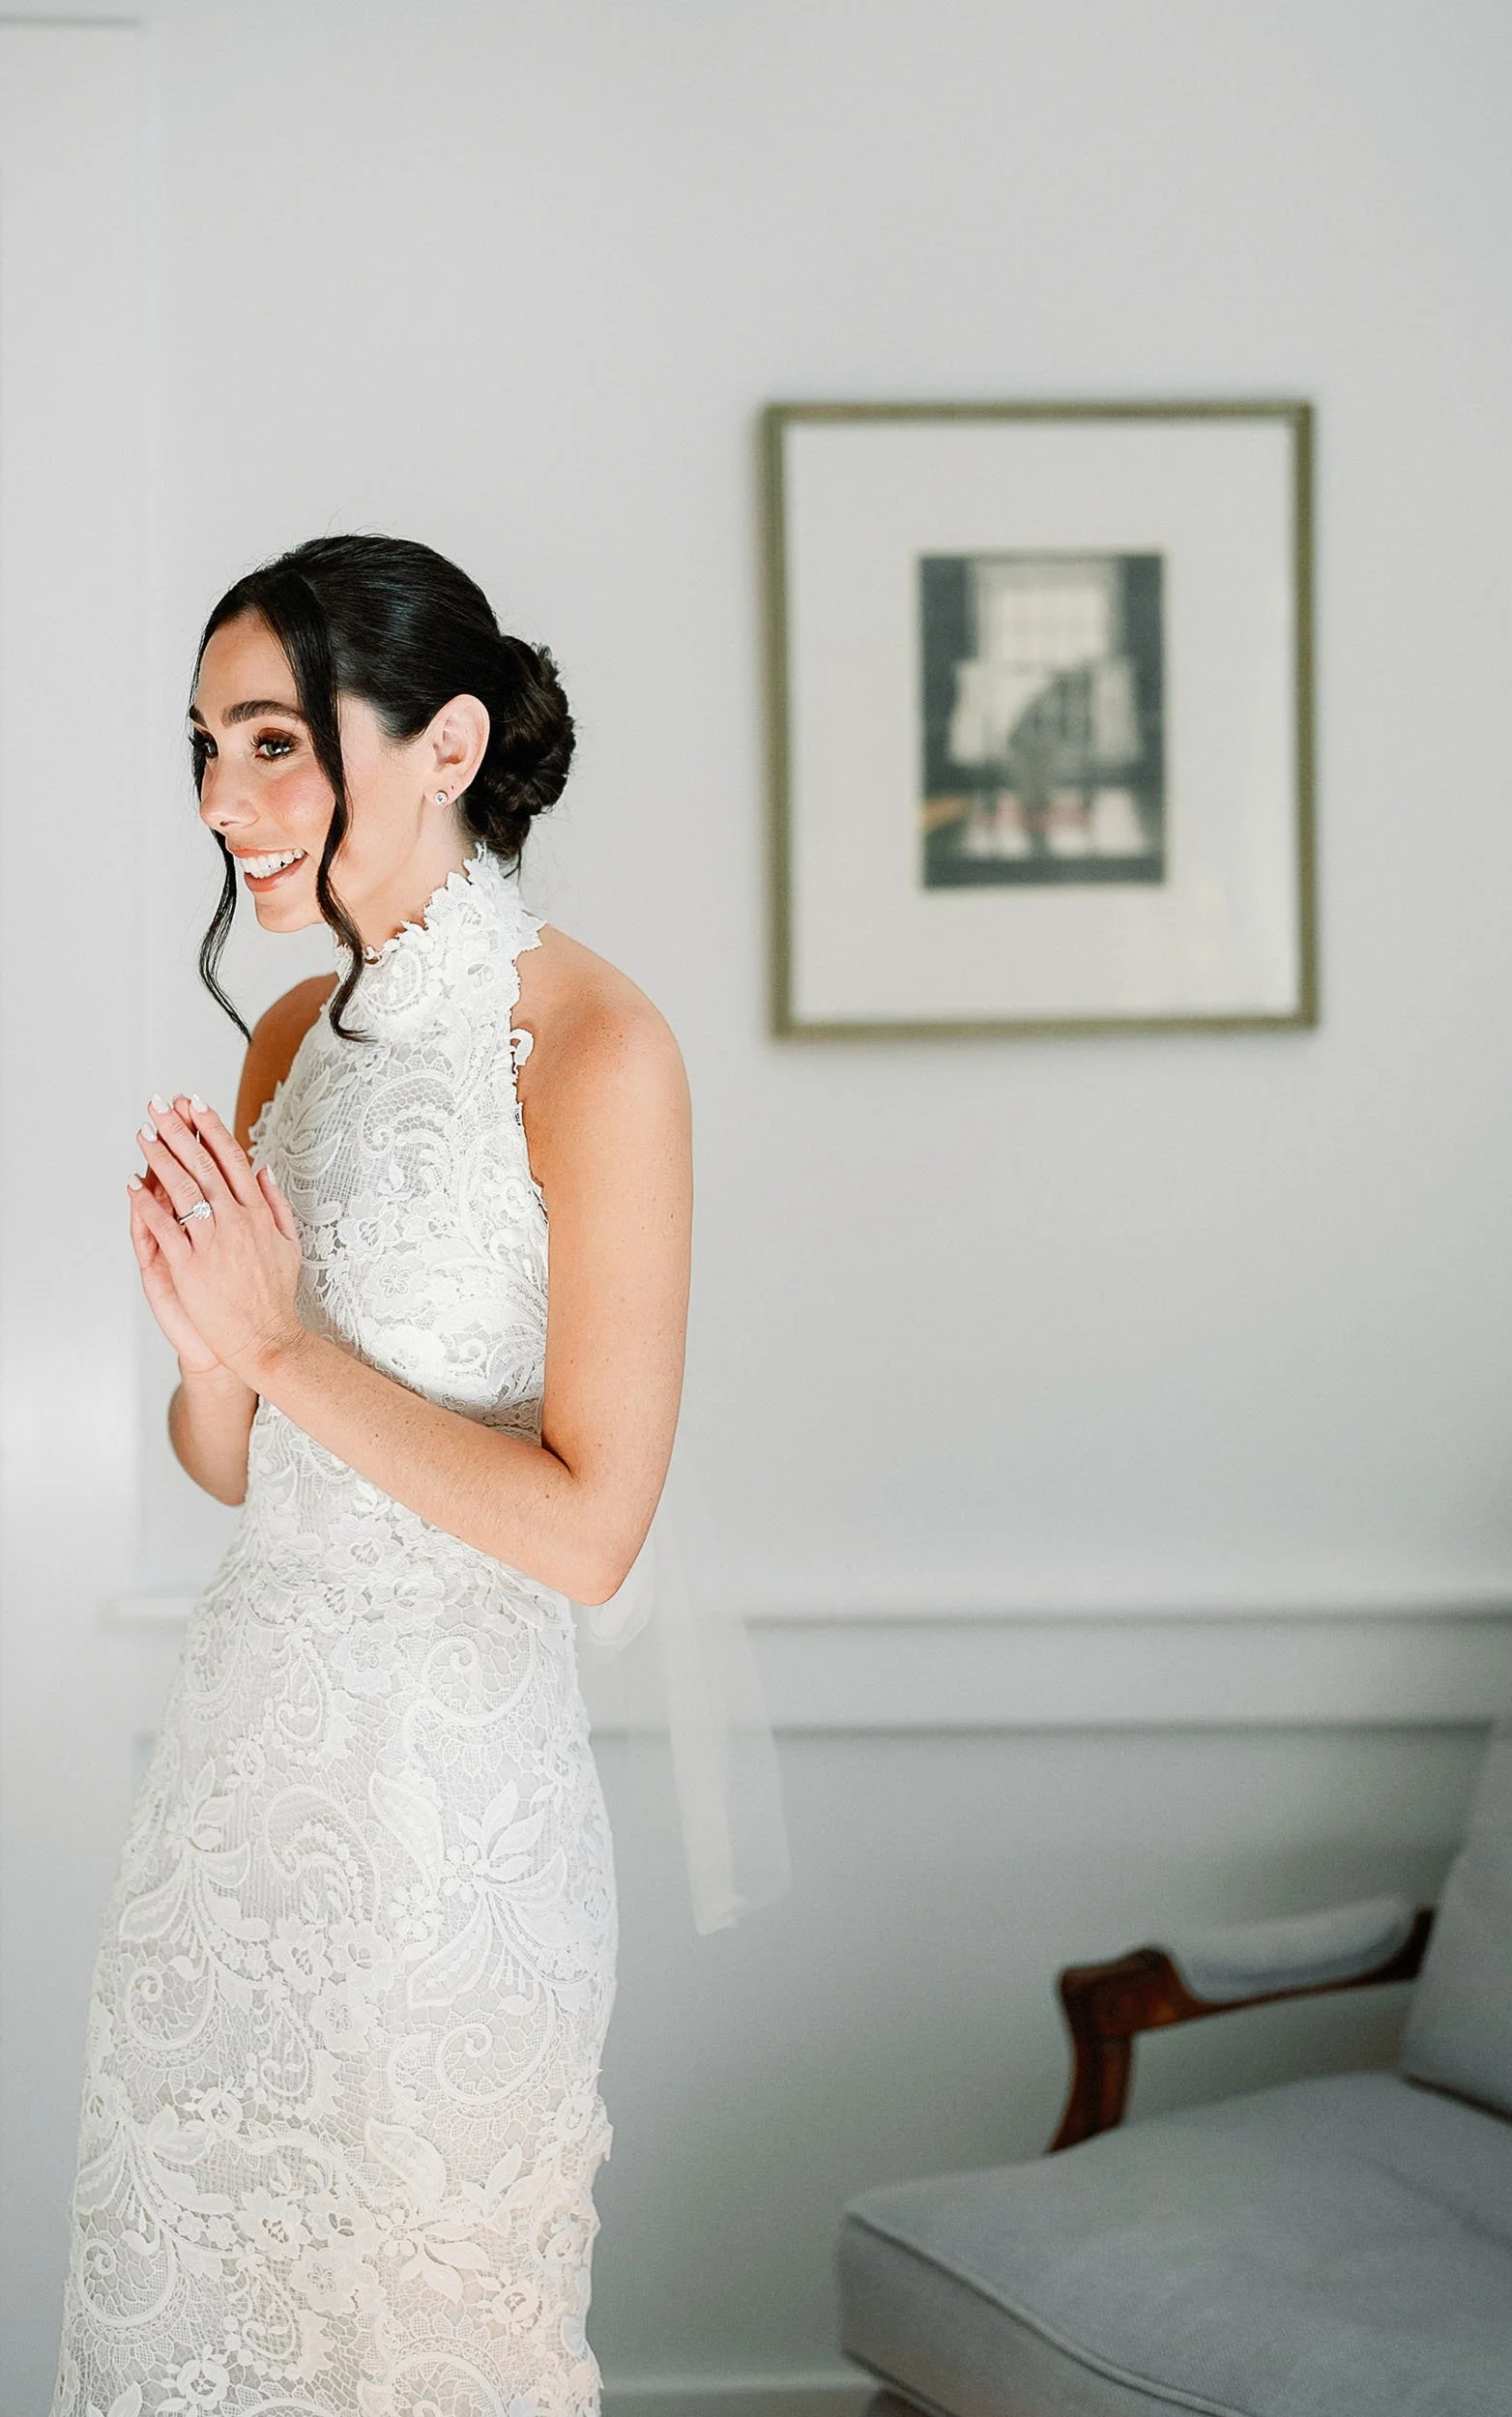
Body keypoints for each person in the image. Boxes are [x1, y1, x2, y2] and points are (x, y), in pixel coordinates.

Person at [48, 534, 692, 2417]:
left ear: (444, 741)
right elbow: (233, 1464)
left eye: (276, 740)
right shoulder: (278, 1039)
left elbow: (590, 1529)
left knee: (428, 2346)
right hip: (233, 1797)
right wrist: (204, 1356)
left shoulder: (594, 1048)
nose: (225, 800)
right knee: (188, 2326)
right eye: (204, 745)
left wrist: (279, 1348)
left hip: (444, 1833)